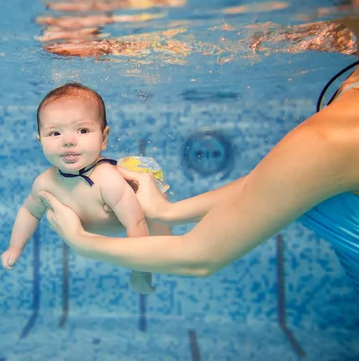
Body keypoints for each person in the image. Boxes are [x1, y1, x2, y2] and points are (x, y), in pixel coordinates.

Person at [38, 16, 359, 293]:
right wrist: (170, 213)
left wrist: (81, 241)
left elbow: (199, 257)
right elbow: (287, 178)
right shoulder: (344, 106)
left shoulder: (335, 136)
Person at [0, 83, 172, 294]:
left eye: (82, 130)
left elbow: (136, 222)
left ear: (104, 138)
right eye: (54, 133)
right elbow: (29, 212)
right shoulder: (44, 183)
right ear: (40, 141)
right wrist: (15, 247)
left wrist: (140, 271)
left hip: (136, 194)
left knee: (160, 227)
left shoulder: (108, 181)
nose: (68, 141)